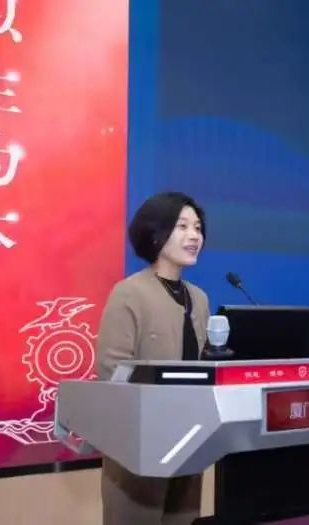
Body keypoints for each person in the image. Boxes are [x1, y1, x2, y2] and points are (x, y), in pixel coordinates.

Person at [95, 192, 210, 525]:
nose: (194, 236)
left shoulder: (199, 299)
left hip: (190, 438)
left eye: (198, 228)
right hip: (137, 445)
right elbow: (112, 370)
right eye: (182, 226)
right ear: (156, 232)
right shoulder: (130, 292)